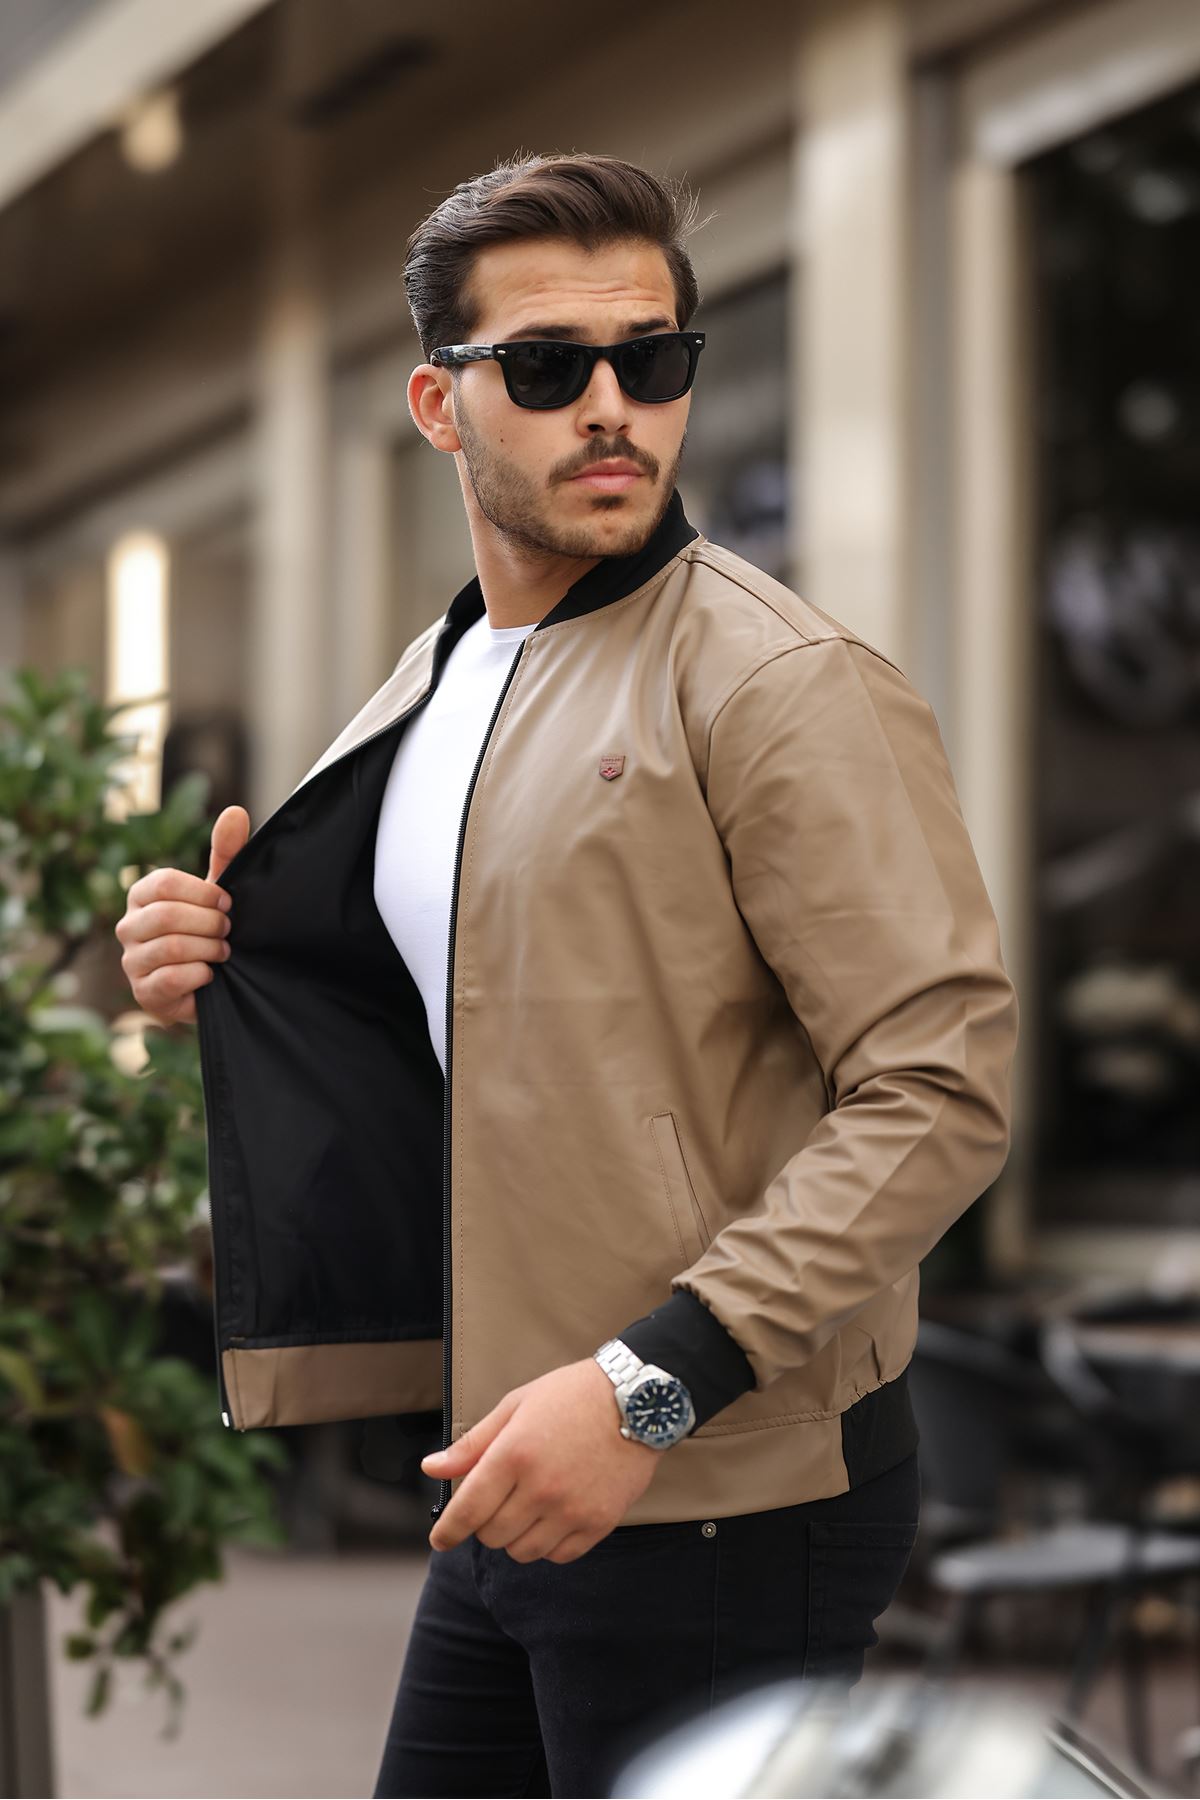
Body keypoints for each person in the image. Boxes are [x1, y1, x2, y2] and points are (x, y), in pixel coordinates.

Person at [115, 151, 1019, 1799]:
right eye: (546, 366)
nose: (612, 407)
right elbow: (470, 1030)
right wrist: (211, 973)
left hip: (714, 1483)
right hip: (513, 1463)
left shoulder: (780, 681)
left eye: (651, 359)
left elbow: (940, 1094)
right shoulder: (442, 673)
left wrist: (647, 1388)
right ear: (439, 404)